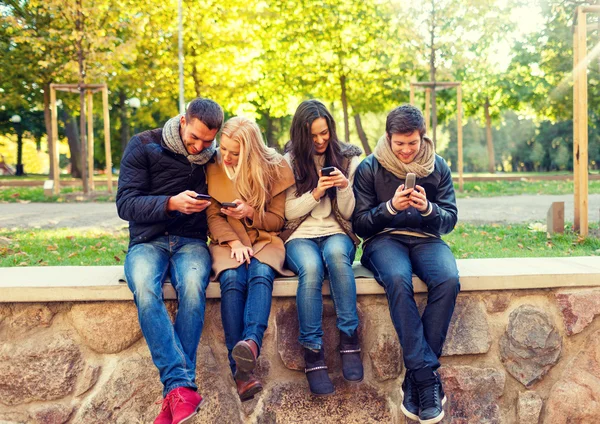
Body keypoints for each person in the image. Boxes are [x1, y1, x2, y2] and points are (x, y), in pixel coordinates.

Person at [117, 98, 223, 424]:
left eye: (207, 141)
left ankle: (175, 398)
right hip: (147, 241)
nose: (199, 146)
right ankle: (181, 385)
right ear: (182, 121)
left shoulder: (213, 159)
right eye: (194, 138)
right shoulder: (143, 144)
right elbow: (126, 204)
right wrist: (171, 203)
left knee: (192, 286)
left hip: (191, 242)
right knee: (146, 290)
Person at [353, 104, 460, 424]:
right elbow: (360, 224)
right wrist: (389, 208)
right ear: (388, 138)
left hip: (427, 239)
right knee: (398, 279)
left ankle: (416, 378)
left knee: (448, 279)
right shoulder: (369, 167)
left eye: (412, 143)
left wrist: (428, 209)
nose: (406, 150)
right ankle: (427, 380)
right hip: (384, 240)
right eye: (399, 143)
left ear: (422, 138)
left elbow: (450, 219)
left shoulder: (437, 166)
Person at [205, 116, 295, 401]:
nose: (227, 157)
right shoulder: (214, 164)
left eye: (235, 152)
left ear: (251, 150)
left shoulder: (276, 167)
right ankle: (242, 373)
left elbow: (277, 221)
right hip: (226, 239)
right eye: (224, 149)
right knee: (231, 278)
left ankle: (251, 344)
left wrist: (249, 213)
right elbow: (212, 216)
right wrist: (232, 241)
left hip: (263, 238)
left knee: (260, 274)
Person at [281, 99, 364, 397]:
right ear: (302, 135)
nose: (319, 141)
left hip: (336, 231)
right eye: (313, 136)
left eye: (324, 133)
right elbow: (289, 212)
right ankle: (313, 351)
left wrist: (343, 187)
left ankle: (349, 338)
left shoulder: (348, 158)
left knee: (336, 257)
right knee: (312, 268)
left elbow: (351, 213)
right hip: (299, 234)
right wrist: (316, 192)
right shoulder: (289, 161)